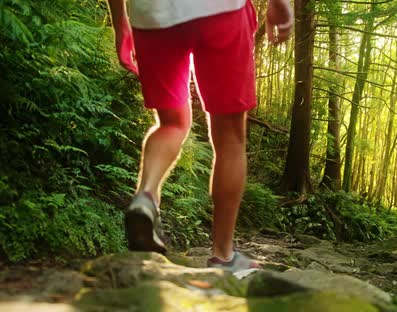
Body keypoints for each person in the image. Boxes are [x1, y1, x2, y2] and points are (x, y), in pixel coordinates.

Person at [106, 0, 293, 272]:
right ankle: (223, 256)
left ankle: (145, 197)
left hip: (152, 18)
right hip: (221, 11)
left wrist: (120, 23)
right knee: (230, 139)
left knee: (171, 124)